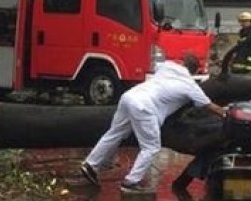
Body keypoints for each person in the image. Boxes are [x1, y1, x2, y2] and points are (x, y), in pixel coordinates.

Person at [80, 52, 225, 193]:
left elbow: (157, 66)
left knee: (115, 133)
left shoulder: (166, 67)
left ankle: (91, 164)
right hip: (145, 107)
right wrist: (227, 114)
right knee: (151, 147)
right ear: (194, 71)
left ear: (182, 63)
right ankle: (131, 182)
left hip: (129, 97)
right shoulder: (190, 86)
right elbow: (210, 106)